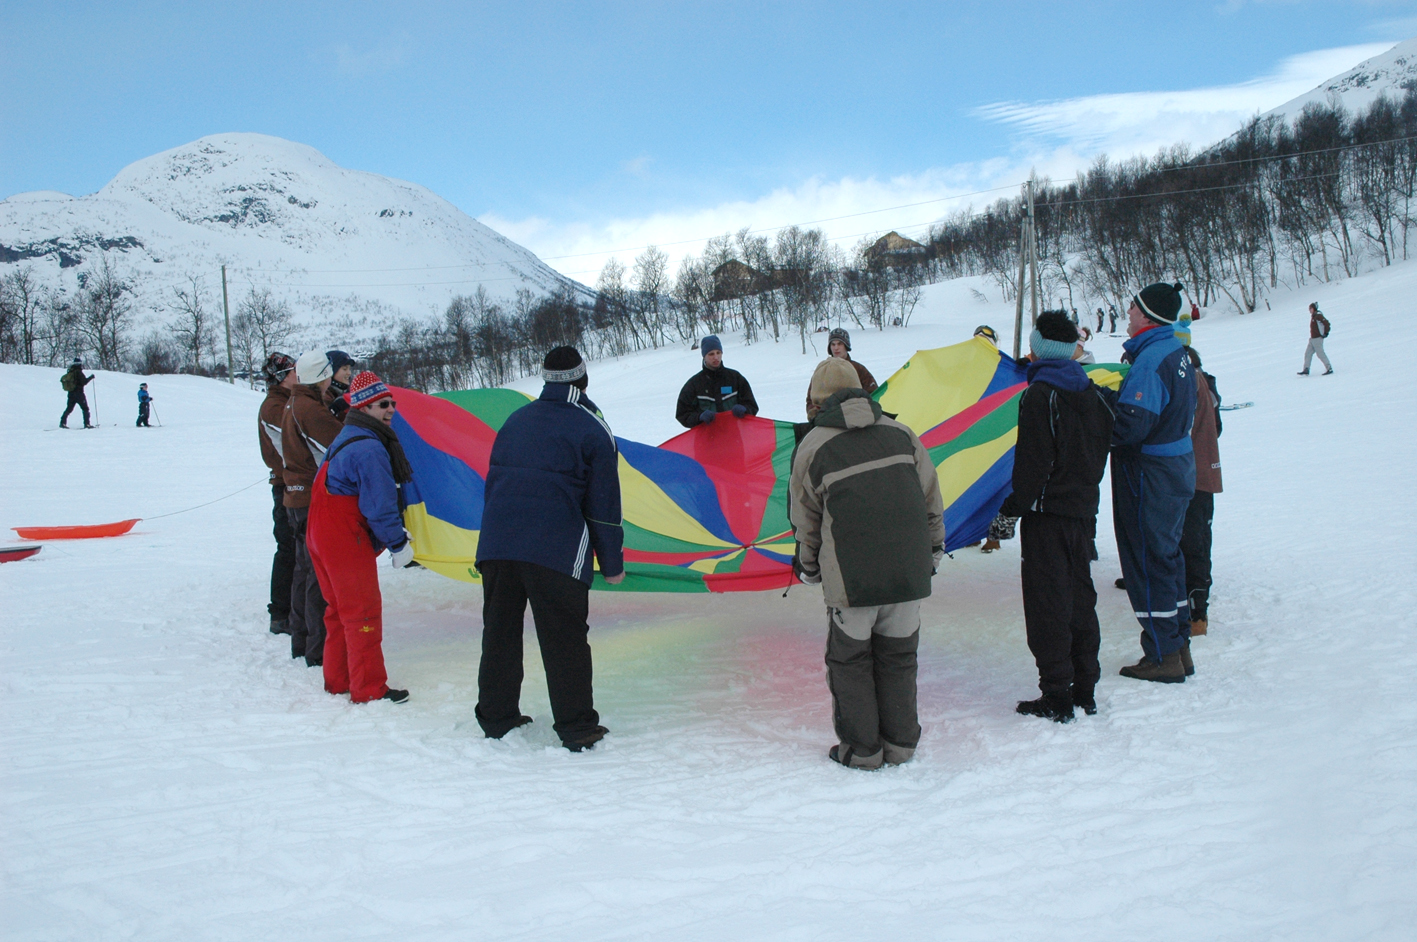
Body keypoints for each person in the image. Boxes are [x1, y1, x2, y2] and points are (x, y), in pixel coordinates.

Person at [790, 357, 945, 770]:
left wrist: (809, 567)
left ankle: (863, 751)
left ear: (816, 401)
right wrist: (932, 550)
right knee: (898, 657)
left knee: (850, 662)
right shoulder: (901, 432)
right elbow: (931, 498)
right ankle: (901, 746)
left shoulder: (813, 446)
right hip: (908, 573)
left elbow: (805, 520)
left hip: (852, 578)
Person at [475, 346, 625, 752]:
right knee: (564, 637)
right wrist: (612, 561)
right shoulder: (591, 427)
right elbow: (604, 504)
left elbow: (494, 485)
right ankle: (577, 727)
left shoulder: (515, 420)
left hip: (498, 543)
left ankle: (496, 716)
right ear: (583, 378)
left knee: (500, 631)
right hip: (554, 548)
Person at [998, 312, 1115, 722]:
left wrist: (1010, 512)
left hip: (1047, 517)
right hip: (1084, 514)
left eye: (1032, 345)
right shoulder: (1094, 393)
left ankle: (1057, 695)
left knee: (1049, 604)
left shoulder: (1040, 396)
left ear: (1042, 350)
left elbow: (1032, 468)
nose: (1028, 352)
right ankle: (1086, 687)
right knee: (1081, 598)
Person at [307, 371, 414, 705]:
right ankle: (368, 688)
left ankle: (338, 679)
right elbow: (379, 506)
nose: (390, 409)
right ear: (364, 407)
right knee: (362, 612)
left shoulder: (348, 434)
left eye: (392, 403)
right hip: (342, 537)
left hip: (320, 533)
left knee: (338, 610)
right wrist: (397, 543)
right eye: (382, 404)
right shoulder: (369, 448)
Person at [1111, 282, 1198, 683]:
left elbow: (1133, 425)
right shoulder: (1177, 351)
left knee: (1148, 560)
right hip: (1177, 466)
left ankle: (1162, 655)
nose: (1127, 313)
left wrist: (1099, 412)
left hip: (1150, 474)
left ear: (1146, 315)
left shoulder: (1151, 359)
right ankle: (1178, 647)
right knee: (1168, 556)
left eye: (1131, 307)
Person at [281, 350, 344, 667]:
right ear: (324, 376)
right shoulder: (310, 408)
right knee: (318, 575)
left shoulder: (296, 401)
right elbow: (342, 444)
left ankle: (302, 640)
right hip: (310, 498)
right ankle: (316, 649)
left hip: (296, 496)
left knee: (304, 571)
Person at [1181, 345, 1222, 637]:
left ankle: (1197, 614)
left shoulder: (1194, 386)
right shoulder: (1205, 385)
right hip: (1199, 476)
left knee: (1193, 544)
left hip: (1192, 478)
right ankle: (1195, 608)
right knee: (1195, 542)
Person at [258, 352, 298, 636]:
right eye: (294, 372)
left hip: (290, 483)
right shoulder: (274, 406)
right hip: (285, 486)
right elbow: (291, 446)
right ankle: (280, 613)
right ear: (282, 377)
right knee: (288, 549)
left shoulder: (288, 401)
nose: (299, 376)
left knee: (295, 549)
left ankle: (290, 609)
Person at [676, 335, 759, 427]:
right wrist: (699, 417)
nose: (716, 357)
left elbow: (752, 405)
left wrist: (745, 409)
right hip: (707, 438)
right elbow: (682, 414)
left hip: (735, 434)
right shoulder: (694, 384)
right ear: (704, 356)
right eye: (711, 354)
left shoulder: (735, 378)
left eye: (718, 353)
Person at [804, 327, 878, 419]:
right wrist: (814, 413)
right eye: (833, 344)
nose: (836, 348)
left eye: (840, 344)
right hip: (827, 420)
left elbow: (874, 394)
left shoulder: (858, 369)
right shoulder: (823, 370)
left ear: (846, 346)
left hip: (856, 418)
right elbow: (811, 398)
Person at [1299, 302, 1333, 375]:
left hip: (1317, 339)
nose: (1309, 310)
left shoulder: (1318, 315)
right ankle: (1306, 369)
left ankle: (1329, 368)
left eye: (1310, 308)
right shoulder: (1314, 316)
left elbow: (1327, 323)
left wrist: (1326, 333)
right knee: (1308, 353)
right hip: (1312, 339)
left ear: (1314, 308)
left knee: (1320, 354)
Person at [59, 358, 95, 428]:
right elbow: (84, 382)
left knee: (69, 409)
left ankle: (62, 423)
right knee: (85, 409)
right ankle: (87, 424)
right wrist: (91, 377)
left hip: (71, 394)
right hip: (79, 394)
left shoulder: (70, 371)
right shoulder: (79, 372)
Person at [324, 349, 356, 419]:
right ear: (331, 371)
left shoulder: (350, 392)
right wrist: (337, 409)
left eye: (349, 369)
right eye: (345, 369)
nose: (349, 373)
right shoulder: (324, 397)